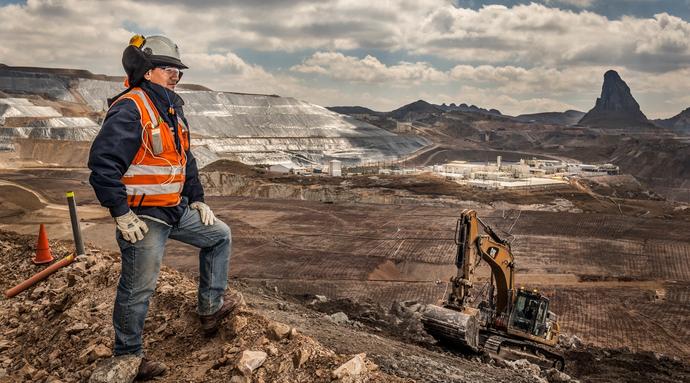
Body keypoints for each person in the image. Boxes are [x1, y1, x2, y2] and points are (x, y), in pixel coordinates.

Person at [88, 35, 243, 380]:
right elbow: (103, 166)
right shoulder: (132, 107)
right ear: (146, 71)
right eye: (166, 67)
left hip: (176, 209)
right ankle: (129, 356)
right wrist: (120, 213)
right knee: (139, 286)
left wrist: (198, 198)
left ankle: (210, 308)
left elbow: (185, 160)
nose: (174, 74)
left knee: (219, 236)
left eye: (177, 70)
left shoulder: (172, 109)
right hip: (143, 217)